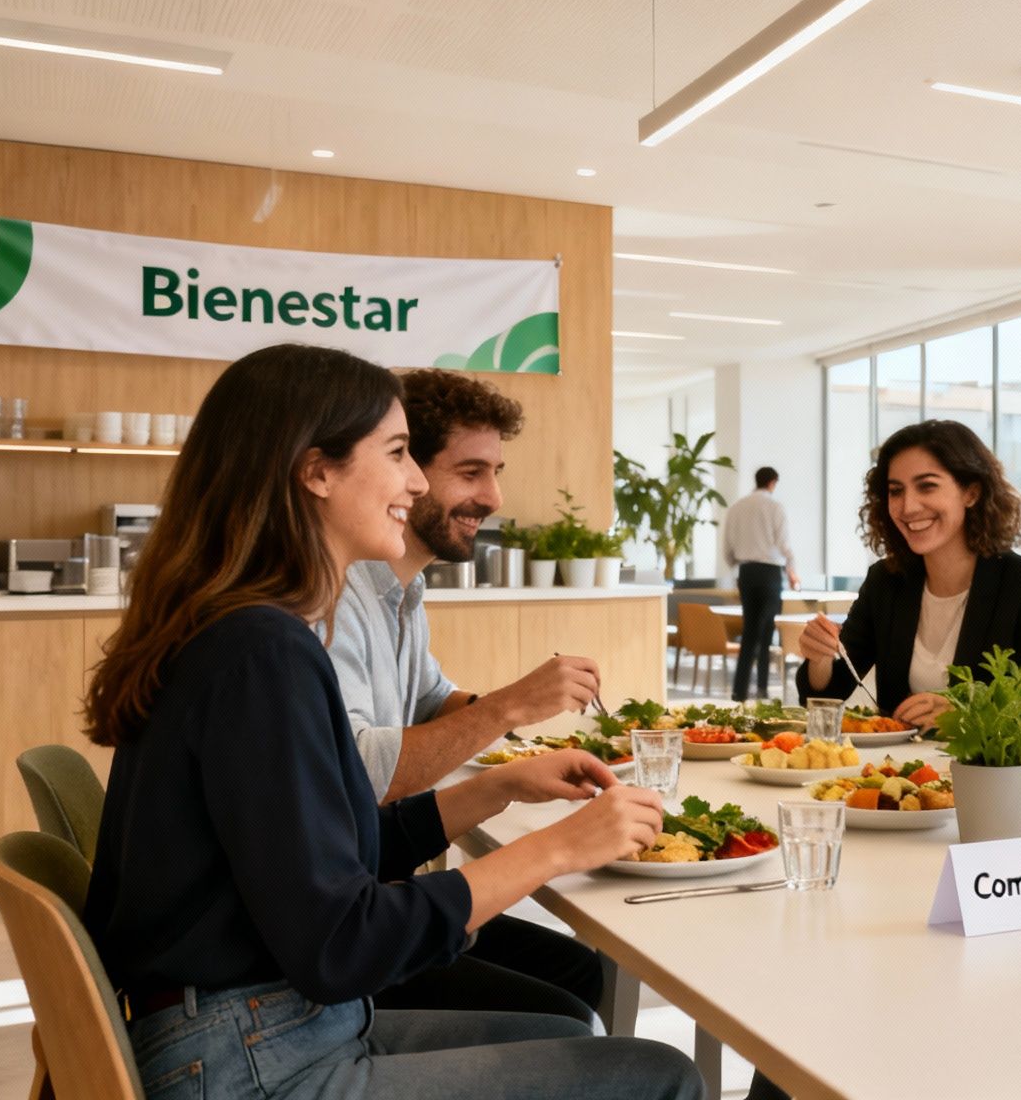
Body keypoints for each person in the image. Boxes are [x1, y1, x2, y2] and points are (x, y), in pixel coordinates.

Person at [82, 344, 699, 1100]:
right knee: (656, 1076)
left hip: (256, 1026)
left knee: (570, 1030)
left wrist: (494, 788)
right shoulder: (261, 654)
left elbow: (337, 856)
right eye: (401, 453)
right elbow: (342, 943)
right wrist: (556, 850)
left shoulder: (248, 633)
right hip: (251, 1055)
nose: (415, 481)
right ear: (316, 472)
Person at [326, 368, 606, 1023]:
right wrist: (511, 708)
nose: (495, 497)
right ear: (407, 475)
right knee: (564, 1009)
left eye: (496, 471)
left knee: (578, 971)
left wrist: (524, 712)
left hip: (362, 897)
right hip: (340, 940)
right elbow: (363, 772)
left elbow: (430, 699)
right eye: (472, 471)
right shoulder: (331, 598)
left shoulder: (403, 589)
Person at [798, 419, 1021, 728]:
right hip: (891, 771)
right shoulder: (885, 582)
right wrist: (819, 657)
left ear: (971, 493)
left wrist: (964, 714)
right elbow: (829, 694)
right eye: (896, 491)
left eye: (927, 486)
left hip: (988, 773)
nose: (908, 506)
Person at [721, 465, 799, 701]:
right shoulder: (775, 507)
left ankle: (740, 690)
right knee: (766, 632)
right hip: (770, 574)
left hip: (747, 572)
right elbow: (784, 543)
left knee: (750, 630)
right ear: (773, 482)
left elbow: (728, 547)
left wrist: (739, 563)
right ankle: (763, 688)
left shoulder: (737, 508)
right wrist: (792, 568)